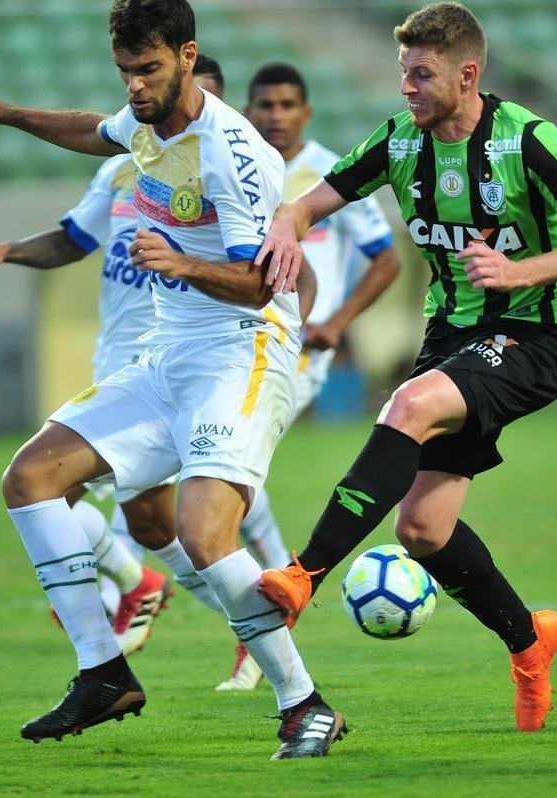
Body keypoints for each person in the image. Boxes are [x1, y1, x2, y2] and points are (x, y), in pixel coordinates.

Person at [0, 0, 345, 759]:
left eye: (148, 69)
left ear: (188, 56)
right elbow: (93, 130)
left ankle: (304, 704)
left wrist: (180, 262)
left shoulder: (232, 151)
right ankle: (103, 671)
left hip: (244, 352)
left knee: (202, 533)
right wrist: (2, 113)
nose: (134, 85)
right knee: (29, 479)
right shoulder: (146, 123)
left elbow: (265, 284)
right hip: (166, 355)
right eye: (125, 70)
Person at [253, 2, 557, 733]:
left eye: (422, 74)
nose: (407, 87)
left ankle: (304, 574)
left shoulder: (527, 140)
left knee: (408, 404)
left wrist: (521, 272)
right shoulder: (399, 140)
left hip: (537, 335)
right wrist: (288, 227)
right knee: (424, 530)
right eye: (403, 73)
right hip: (454, 337)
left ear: (467, 75)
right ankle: (530, 643)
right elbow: (304, 206)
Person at [0, 56, 232, 660]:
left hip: (178, 369)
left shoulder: (225, 174)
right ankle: (233, 618)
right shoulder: (122, 170)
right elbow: (73, 240)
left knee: (50, 491)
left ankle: (135, 597)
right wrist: (6, 251)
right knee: (151, 525)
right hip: (119, 368)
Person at [207, 61, 403, 691]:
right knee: (216, 467)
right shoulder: (236, 163)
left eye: (287, 104)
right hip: (235, 344)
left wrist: (337, 321)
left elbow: (386, 260)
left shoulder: (329, 172)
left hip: (297, 353)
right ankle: (273, 590)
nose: (275, 115)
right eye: (265, 104)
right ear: (249, 109)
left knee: (225, 465)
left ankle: (272, 594)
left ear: (306, 112)